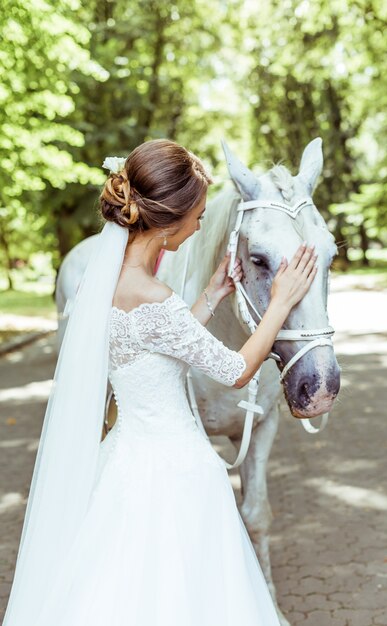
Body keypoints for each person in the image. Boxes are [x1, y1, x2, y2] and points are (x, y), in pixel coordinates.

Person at [3, 139, 317, 626]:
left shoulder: (106, 286)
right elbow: (235, 370)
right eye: (197, 215)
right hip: (176, 472)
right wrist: (279, 303)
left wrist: (213, 294)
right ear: (169, 217)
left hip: (126, 462)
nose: (198, 226)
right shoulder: (157, 297)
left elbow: (155, 346)